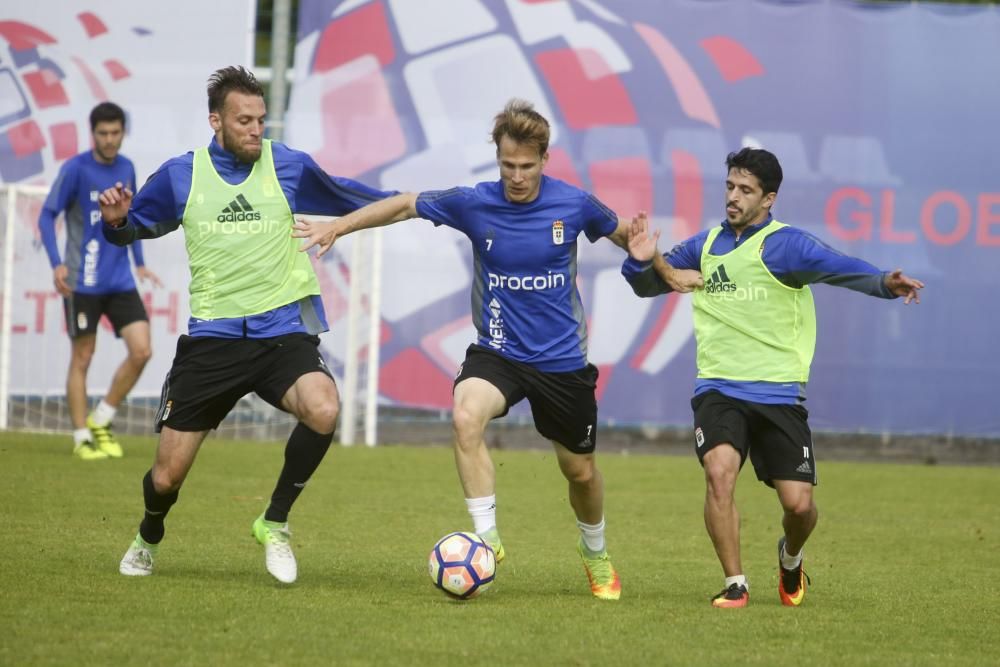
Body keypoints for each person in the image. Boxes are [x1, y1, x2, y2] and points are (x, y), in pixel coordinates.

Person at [293, 99, 702, 600]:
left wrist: (664, 269)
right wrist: (339, 226)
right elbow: (404, 203)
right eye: (508, 165)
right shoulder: (475, 202)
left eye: (527, 166)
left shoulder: (573, 204)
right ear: (498, 158)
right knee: (466, 416)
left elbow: (627, 237)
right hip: (499, 352)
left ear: (544, 160)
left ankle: (595, 552)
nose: (516, 176)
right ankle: (487, 538)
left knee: (580, 471)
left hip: (562, 362)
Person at [98, 66, 395, 584]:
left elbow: (354, 198)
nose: (256, 130)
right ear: (216, 121)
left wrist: (420, 205)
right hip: (211, 341)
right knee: (166, 478)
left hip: (282, 334)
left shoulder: (288, 165)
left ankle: (274, 522)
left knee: (324, 407)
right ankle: (148, 534)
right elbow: (128, 232)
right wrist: (117, 220)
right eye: (244, 121)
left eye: (261, 119)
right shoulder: (180, 176)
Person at [622, 147, 924, 608]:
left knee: (799, 507)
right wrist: (642, 260)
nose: (733, 197)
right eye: (730, 187)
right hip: (719, 387)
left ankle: (790, 556)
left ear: (769, 199)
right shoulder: (703, 247)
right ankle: (736, 583)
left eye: (745, 190)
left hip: (779, 393)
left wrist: (884, 282)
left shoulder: (787, 246)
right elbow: (649, 283)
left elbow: (839, 268)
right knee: (719, 474)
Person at [38, 102, 161, 461]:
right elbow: (47, 216)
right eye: (103, 133)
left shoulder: (127, 167)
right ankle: (81, 437)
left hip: (120, 280)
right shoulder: (76, 169)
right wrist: (57, 264)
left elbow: (130, 219)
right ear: (92, 134)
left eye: (115, 133)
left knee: (142, 351)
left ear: (123, 132)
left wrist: (139, 263)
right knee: (83, 355)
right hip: (82, 281)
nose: (109, 140)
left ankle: (101, 417)